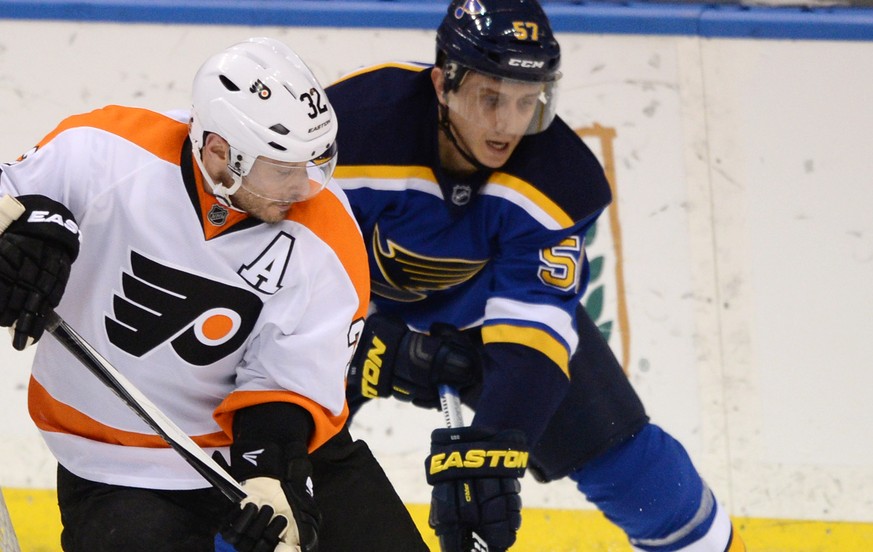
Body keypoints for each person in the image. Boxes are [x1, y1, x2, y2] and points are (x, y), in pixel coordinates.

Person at [327, 1, 747, 551]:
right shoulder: (352, 131)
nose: (508, 125)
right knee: (264, 461)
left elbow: (534, 335)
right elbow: (282, 276)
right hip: (350, 315)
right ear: (442, 84)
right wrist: (364, 345)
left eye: (528, 103)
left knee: (639, 475)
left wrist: (492, 453)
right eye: (490, 98)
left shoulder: (559, 178)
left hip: (486, 319)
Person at [0, 37, 427, 551]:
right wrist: (15, 238)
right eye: (287, 168)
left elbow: (286, 385)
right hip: (119, 461)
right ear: (221, 155)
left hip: (269, 439)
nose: (307, 187)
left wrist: (271, 475)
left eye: (317, 163)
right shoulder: (102, 151)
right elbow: (8, 201)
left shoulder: (328, 240)